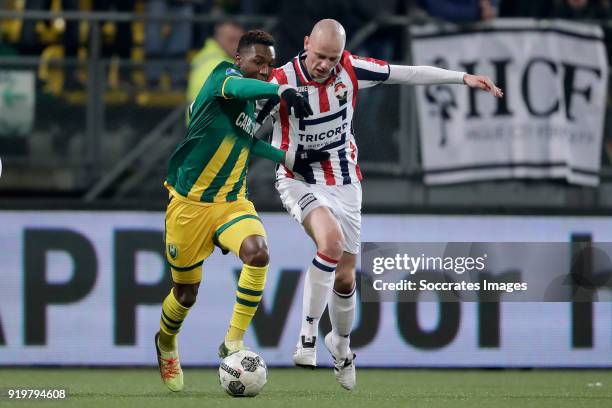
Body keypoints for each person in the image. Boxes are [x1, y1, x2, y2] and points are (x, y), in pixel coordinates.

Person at [258, 19, 503, 390]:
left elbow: (410, 74)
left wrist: (462, 78)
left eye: (332, 57)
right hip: (298, 179)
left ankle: (340, 344)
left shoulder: (351, 70)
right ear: (306, 44)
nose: (324, 65)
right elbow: (233, 114)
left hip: (345, 182)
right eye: (319, 56)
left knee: (345, 275)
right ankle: (306, 336)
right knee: (330, 244)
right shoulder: (278, 80)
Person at [155, 29, 326, 392]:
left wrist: (288, 158)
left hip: (232, 201)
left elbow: (245, 141)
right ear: (239, 59)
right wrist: (280, 89)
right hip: (189, 206)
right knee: (185, 294)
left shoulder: (248, 105)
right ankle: (166, 342)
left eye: (271, 66)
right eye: (258, 62)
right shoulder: (222, 78)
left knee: (258, 253)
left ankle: (233, 341)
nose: (265, 71)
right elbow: (240, 89)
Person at [187, 21, 245, 104]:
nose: (237, 46)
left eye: (240, 41)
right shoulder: (224, 65)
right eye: (231, 40)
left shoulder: (204, 55)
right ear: (218, 38)